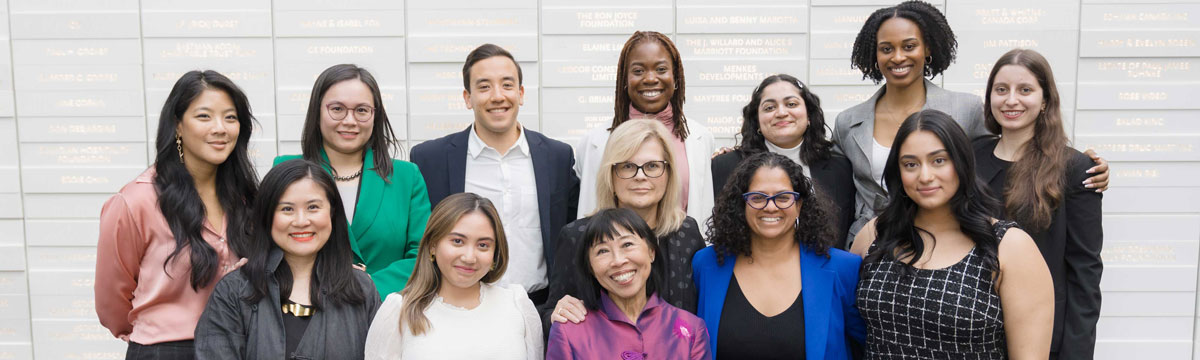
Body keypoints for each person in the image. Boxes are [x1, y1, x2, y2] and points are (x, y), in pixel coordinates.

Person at [833, 0, 1109, 240]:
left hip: (941, 241)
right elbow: (831, 181)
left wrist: (1076, 164)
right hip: (866, 245)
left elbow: (1009, 151)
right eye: (886, 48)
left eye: (909, 46)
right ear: (875, 54)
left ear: (927, 48)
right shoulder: (849, 122)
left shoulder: (965, 109)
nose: (898, 57)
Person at [851, 110, 1054, 359]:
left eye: (939, 160)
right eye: (911, 164)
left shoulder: (1009, 247)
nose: (925, 176)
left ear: (961, 163)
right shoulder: (874, 234)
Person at [95, 70, 258, 359]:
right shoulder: (136, 201)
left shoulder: (246, 198)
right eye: (204, 116)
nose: (220, 128)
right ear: (178, 126)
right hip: (167, 350)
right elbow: (112, 304)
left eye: (230, 117)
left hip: (238, 348)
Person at [411, 44, 580, 308]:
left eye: (507, 85)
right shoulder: (430, 159)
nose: (497, 96)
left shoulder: (556, 157)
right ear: (468, 97)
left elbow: (571, 236)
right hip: (456, 306)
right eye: (484, 86)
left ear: (521, 93)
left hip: (540, 306)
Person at [974, 49, 1103, 360]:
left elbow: (1085, 271)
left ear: (1045, 100)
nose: (1011, 100)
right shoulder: (968, 157)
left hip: (1043, 338)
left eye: (1026, 90)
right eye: (1001, 89)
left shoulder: (1075, 168)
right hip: (972, 331)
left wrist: (1076, 352)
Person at [194, 159, 381, 359]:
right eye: (287, 209)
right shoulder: (234, 292)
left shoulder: (362, 290)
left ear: (332, 212)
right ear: (267, 216)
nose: (301, 221)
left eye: (313, 207)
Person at [274, 64, 431, 300]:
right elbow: (270, 247)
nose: (350, 120)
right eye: (337, 109)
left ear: (375, 116)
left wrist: (366, 286)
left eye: (361, 110)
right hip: (305, 310)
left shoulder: (406, 176)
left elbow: (424, 253)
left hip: (384, 313)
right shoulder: (285, 168)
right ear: (317, 112)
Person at [695, 152, 865, 359]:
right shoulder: (706, 264)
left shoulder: (843, 269)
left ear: (799, 205)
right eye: (757, 198)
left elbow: (868, 346)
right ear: (741, 204)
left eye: (783, 197)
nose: (771, 206)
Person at [545, 120, 706, 334]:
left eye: (652, 166)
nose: (640, 176)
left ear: (668, 173)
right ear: (610, 174)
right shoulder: (578, 236)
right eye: (628, 166)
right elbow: (552, 315)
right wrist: (558, 313)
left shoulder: (686, 231)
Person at [363, 193, 543, 360]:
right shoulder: (399, 310)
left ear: (495, 253)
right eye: (457, 241)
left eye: (483, 245)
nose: (469, 257)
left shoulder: (516, 304)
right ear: (433, 245)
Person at [575, 31, 715, 235]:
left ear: (675, 77)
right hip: (616, 258)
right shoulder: (593, 142)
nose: (650, 78)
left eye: (661, 69)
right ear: (625, 79)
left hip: (681, 256)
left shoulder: (701, 138)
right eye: (638, 71)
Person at [712, 74, 856, 246]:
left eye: (791, 104)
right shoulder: (724, 167)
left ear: (809, 115)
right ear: (757, 121)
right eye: (769, 107)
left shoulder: (841, 169)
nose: (781, 113)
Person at [546, 208, 709, 359]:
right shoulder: (569, 332)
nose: (618, 261)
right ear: (590, 267)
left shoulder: (691, 330)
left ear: (651, 252)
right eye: (602, 251)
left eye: (627, 245)